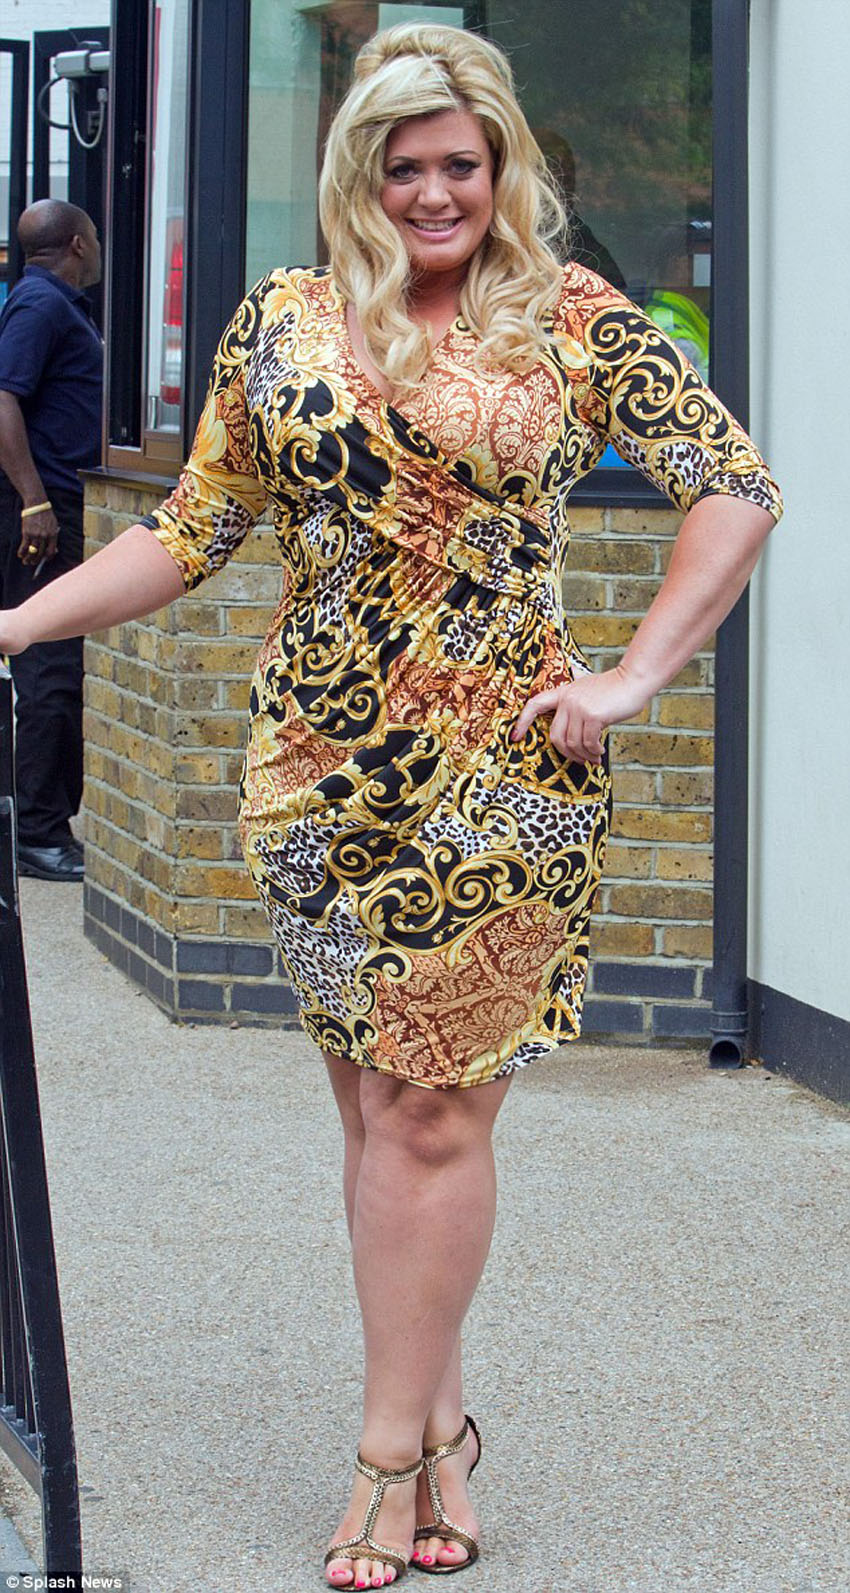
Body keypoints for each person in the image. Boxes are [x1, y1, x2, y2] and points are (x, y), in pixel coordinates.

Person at [0, 23, 782, 1587]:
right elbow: (193, 529)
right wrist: (17, 625)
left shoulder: (571, 318)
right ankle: (437, 1426)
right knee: (377, 1115)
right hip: (316, 779)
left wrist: (631, 676)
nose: (433, 193)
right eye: (402, 165)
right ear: (358, 174)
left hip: (502, 781)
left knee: (431, 1113)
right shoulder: (282, 321)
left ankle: (377, 1461)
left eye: (460, 165)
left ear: (501, 170)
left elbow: (733, 485)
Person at [0, 198, 103, 882]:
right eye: (93, 236)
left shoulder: (49, 303)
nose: (97, 247)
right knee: (48, 668)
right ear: (76, 244)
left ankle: (45, 824)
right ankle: (38, 833)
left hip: (52, 502)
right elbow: (2, 398)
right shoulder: (40, 304)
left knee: (57, 665)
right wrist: (34, 500)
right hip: (42, 509)